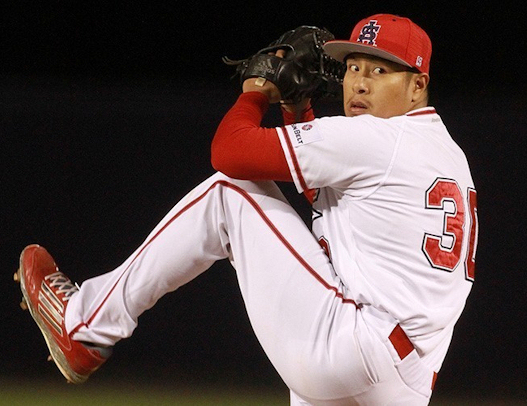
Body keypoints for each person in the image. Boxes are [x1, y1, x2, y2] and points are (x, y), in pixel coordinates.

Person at [16, 14, 478, 406]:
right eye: (354, 66)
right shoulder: (445, 154)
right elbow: (334, 199)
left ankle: (85, 324)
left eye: (380, 71)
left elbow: (230, 153)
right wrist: (297, 107)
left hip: (350, 346)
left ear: (418, 85)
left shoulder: (377, 138)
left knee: (230, 192)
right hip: (405, 381)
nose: (358, 81)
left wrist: (255, 91)